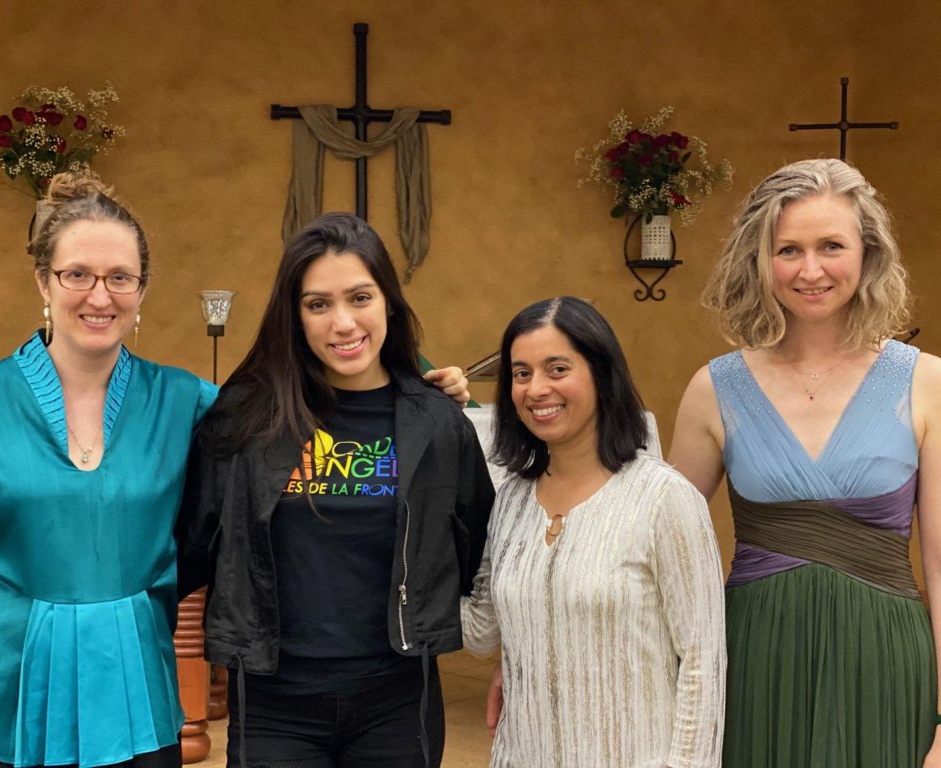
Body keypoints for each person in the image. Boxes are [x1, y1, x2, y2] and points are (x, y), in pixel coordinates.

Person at [0, 182, 471, 768]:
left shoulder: (189, 403)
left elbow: (314, 415)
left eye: (119, 277)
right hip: (1, 692)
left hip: (131, 689)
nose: (99, 296)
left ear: (142, 290)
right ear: (44, 283)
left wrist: (424, 394)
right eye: (76, 274)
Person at [175, 212, 495, 768]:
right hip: (275, 702)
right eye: (318, 304)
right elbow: (190, 546)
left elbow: (478, 552)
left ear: (389, 303)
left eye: (360, 298)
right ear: (294, 317)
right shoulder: (247, 419)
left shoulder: (438, 425)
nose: (343, 323)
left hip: (396, 701)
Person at [668, 158, 941, 767]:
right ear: (759, 261)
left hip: (886, 661)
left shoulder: (926, 383)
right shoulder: (714, 389)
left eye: (831, 246)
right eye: (787, 249)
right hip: (754, 659)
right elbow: (657, 550)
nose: (810, 269)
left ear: (868, 254)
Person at [461, 296, 726, 767]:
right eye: (521, 373)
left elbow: (702, 664)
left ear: (602, 376)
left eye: (557, 369)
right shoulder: (512, 501)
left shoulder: (663, 498)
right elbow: (481, 631)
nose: (536, 388)